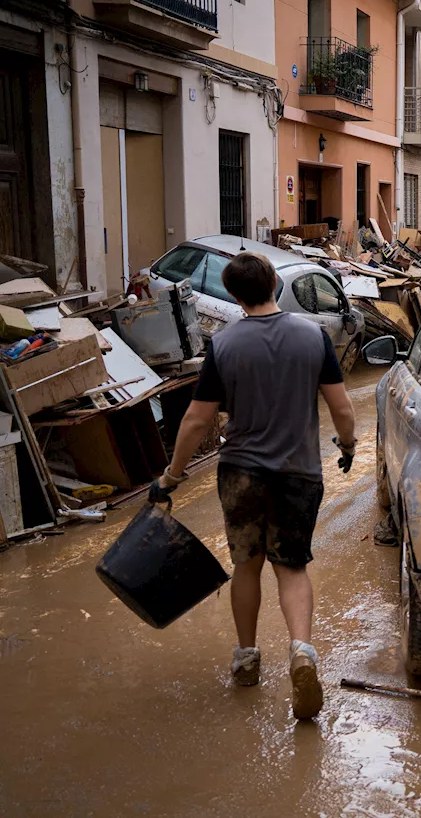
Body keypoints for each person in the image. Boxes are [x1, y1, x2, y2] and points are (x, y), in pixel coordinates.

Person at [150, 251, 357, 721]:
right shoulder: (313, 336)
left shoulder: (223, 346)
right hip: (299, 472)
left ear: (234, 295)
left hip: (241, 472)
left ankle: (246, 658)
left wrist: (172, 476)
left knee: (246, 565)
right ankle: (302, 651)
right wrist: (347, 447)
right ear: (273, 287)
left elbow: (196, 419)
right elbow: (343, 410)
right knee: (292, 567)